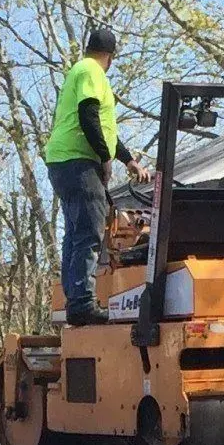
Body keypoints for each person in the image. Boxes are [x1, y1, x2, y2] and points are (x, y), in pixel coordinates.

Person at [43, 23, 151, 325]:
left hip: (64, 161)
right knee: (89, 231)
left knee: (76, 233)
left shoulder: (78, 70)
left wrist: (128, 161)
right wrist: (105, 159)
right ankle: (81, 304)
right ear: (110, 57)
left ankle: (74, 301)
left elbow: (103, 130)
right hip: (77, 161)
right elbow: (88, 115)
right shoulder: (92, 71)